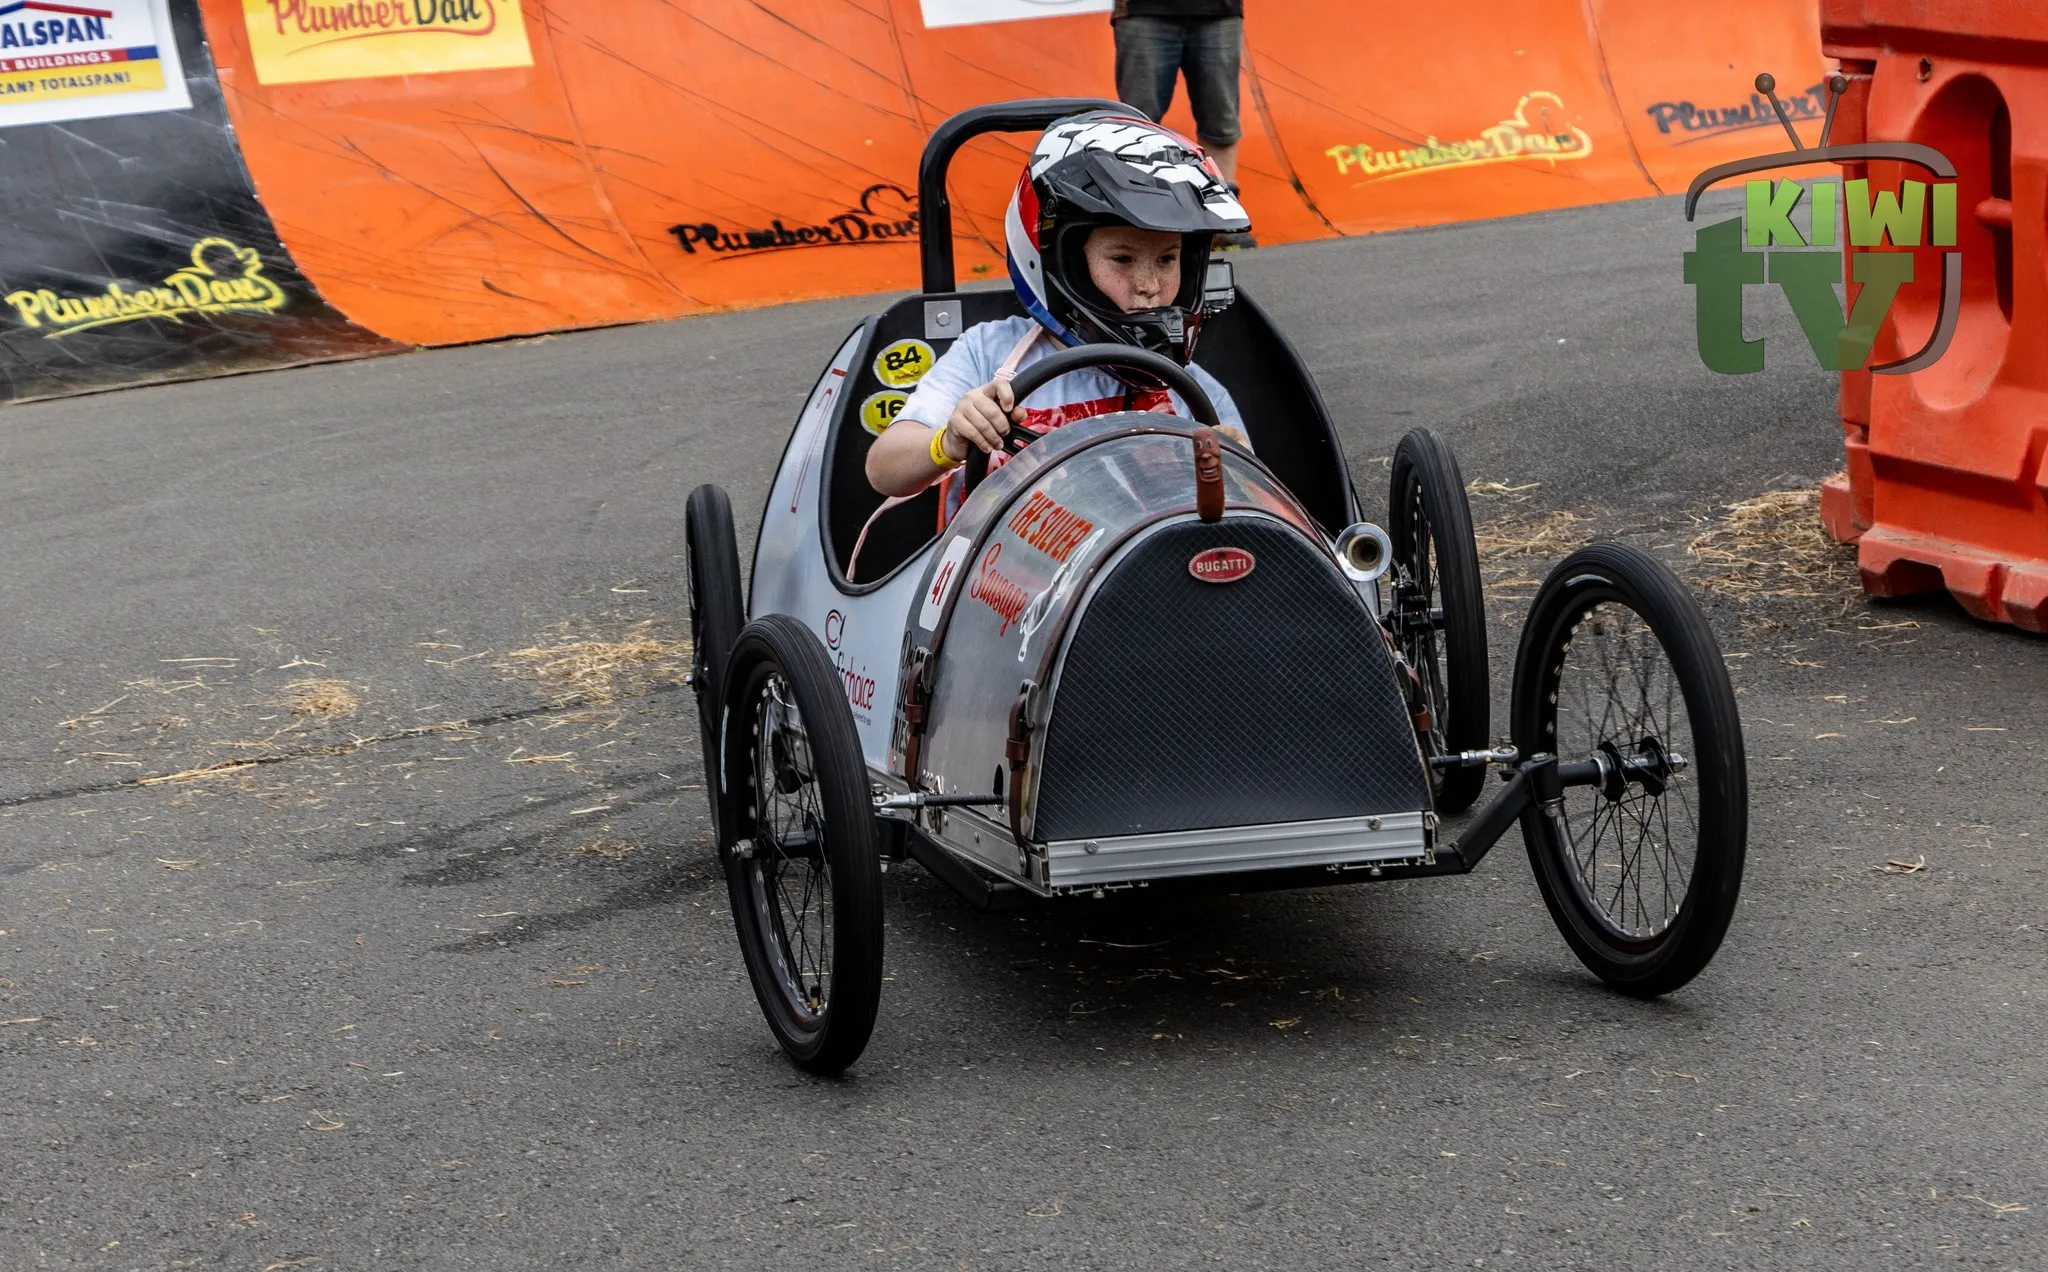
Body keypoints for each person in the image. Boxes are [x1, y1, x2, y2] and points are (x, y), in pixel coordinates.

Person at [865, 110, 1251, 513]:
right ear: (1063, 262)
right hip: (999, 571)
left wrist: (1237, 474)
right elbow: (884, 470)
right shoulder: (988, 353)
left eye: (1168, 260)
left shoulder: (1186, 383)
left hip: (1132, 570)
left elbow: (1252, 513)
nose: (1149, 286)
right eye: (1122, 258)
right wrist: (948, 442)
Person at [1111, 0, 1244, 190]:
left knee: (1220, 125)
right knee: (1136, 129)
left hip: (1219, 10)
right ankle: (1139, 209)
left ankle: (1223, 208)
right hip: (1142, 9)